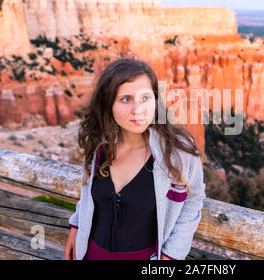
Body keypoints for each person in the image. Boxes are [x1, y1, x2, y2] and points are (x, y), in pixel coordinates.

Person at [64, 58, 206, 260]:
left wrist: (171, 256)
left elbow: (194, 198)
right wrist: (77, 224)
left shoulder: (176, 152)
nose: (138, 110)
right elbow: (87, 191)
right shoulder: (98, 146)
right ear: (108, 103)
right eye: (126, 99)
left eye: (145, 98)